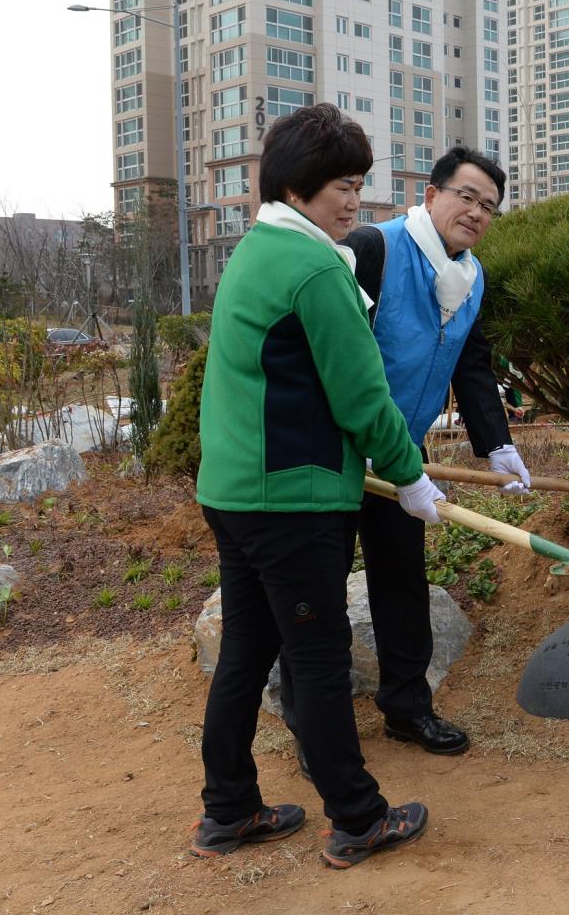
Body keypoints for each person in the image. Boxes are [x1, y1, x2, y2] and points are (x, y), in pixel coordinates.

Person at [193, 104, 440, 868]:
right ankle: (359, 819)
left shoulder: (257, 249)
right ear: (300, 185)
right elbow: (363, 397)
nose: (353, 201)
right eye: (343, 184)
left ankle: (229, 810)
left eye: (360, 185)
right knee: (320, 661)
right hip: (289, 502)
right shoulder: (314, 268)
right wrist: (410, 475)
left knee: (246, 656)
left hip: (237, 493)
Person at [338, 145, 527, 758]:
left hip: (402, 454)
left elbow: (471, 365)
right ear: (431, 194)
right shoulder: (376, 248)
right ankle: (320, 729)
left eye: (489, 206)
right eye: (466, 196)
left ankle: (406, 708)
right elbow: (339, 354)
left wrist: (496, 445)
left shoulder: (473, 278)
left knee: (402, 582)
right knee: (317, 583)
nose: (475, 212)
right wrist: (364, 440)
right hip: (338, 449)